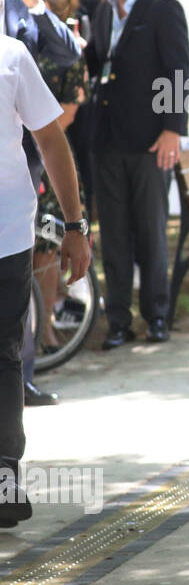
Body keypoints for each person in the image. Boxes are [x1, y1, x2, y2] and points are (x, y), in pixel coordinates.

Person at [1, 33, 91, 527]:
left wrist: (75, 226)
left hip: (6, 237)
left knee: (3, 357)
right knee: (3, 358)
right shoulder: (10, 54)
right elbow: (51, 139)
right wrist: (74, 227)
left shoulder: (12, 56)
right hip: (8, 233)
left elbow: (51, 138)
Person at [82, 0, 189, 349]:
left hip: (150, 141)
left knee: (150, 231)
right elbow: (99, 61)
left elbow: (178, 71)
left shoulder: (162, 9)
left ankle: (157, 316)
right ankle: (118, 322)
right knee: (114, 234)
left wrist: (172, 130)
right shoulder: (106, 12)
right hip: (107, 141)